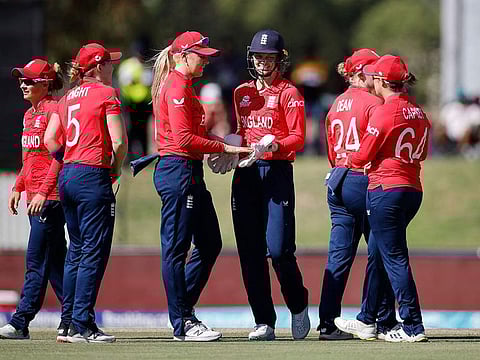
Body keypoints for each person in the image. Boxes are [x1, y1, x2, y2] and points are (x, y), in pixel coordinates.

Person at [148, 31, 250, 342]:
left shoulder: (185, 86)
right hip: (177, 170)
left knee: (210, 243)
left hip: (187, 170)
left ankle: (182, 309)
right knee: (177, 250)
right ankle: (182, 321)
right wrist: (226, 149)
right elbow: (183, 140)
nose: (205, 61)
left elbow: (194, 135)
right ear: (182, 56)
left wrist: (228, 144)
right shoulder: (177, 86)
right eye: (200, 56)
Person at [334, 55, 430, 342]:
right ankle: (367, 320)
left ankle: (412, 325)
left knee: (394, 258)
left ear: (381, 81)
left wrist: (348, 157)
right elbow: (423, 152)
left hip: (385, 190)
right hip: (412, 188)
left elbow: (363, 155)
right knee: (384, 254)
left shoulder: (384, 112)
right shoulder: (418, 110)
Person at [44, 43, 128, 343]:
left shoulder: (66, 98)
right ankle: (83, 325)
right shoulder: (107, 94)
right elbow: (118, 142)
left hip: (68, 175)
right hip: (93, 175)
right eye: (108, 62)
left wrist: (68, 160)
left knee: (76, 251)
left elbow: (50, 138)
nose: (112, 67)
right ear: (97, 67)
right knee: (92, 251)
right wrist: (115, 169)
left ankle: (67, 323)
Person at [231, 29, 310, 341]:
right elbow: (239, 130)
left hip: (276, 172)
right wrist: (227, 150)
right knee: (250, 253)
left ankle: (298, 303)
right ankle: (264, 320)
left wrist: (274, 145)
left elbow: (299, 138)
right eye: (259, 56)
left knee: (278, 250)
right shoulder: (240, 92)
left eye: (270, 57)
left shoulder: (290, 93)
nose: (264, 62)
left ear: (280, 59)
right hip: (245, 172)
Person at [319, 49, 397, 340]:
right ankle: (383, 321)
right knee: (382, 250)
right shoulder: (375, 101)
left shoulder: (336, 103)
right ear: (361, 73)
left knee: (338, 256)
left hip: (337, 179)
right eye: (373, 70)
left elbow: (330, 149)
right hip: (361, 178)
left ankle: (327, 323)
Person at [0, 59, 67, 341]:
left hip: (49, 198)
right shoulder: (30, 115)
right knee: (55, 262)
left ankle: (20, 320)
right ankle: (75, 316)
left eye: (28, 80)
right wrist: (18, 186)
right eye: (21, 80)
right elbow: (29, 158)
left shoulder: (55, 110)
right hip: (34, 198)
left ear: (45, 84)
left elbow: (59, 158)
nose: (22, 84)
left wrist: (42, 192)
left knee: (36, 258)